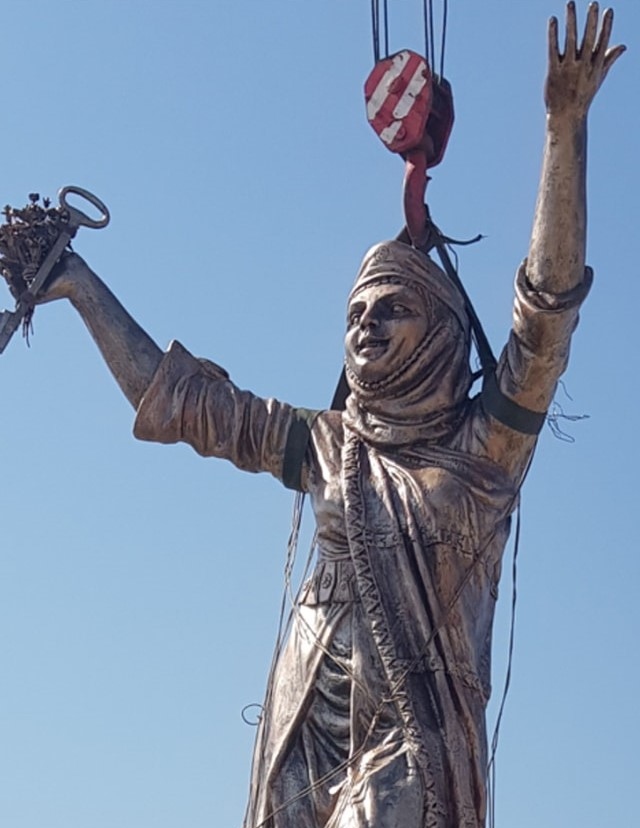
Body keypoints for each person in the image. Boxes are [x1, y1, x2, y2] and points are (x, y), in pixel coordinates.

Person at [37, 4, 624, 827]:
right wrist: (77, 285)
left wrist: (565, 129)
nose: (364, 327)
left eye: (389, 309)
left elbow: (546, 321)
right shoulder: (328, 445)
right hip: (306, 724)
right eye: (354, 314)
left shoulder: (484, 448)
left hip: (410, 741)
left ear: (443, 332)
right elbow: (179, 404)